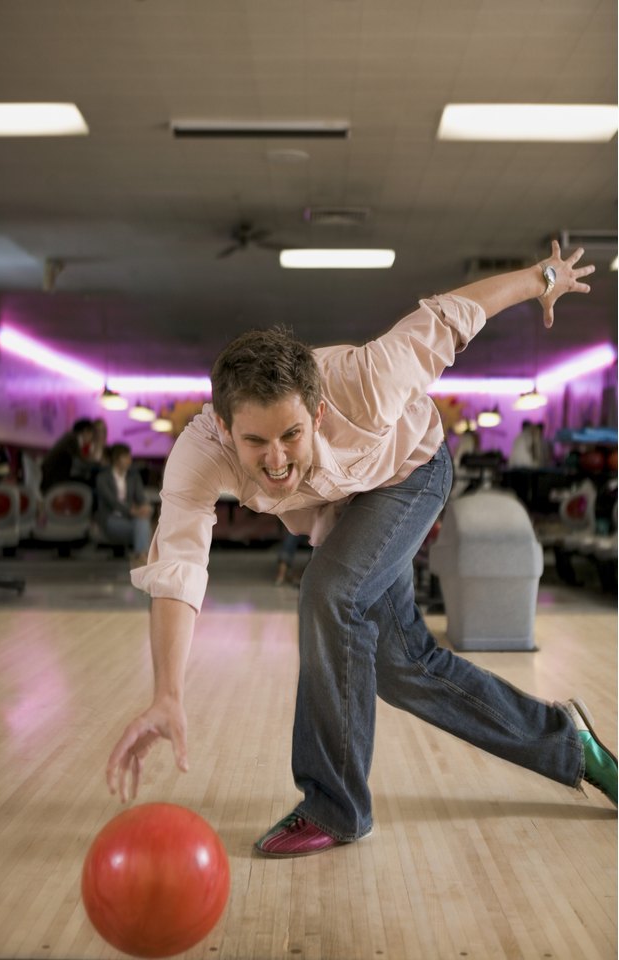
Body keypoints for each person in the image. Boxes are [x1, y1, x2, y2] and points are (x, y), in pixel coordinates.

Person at [106, 242, 616, 858]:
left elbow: (453, 314)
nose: (276, 460)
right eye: (255, 441)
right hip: (344, 507)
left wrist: (544, 276)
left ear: (318, 413)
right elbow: (179, 569)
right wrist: (167, 692)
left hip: (411, 472)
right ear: (221, 426)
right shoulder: (198, 454)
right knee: (405, 669)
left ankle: (335, 805)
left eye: (292, 434)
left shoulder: (369, 380)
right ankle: (567, 741)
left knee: (329, 592)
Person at [95, 443, 153, 565]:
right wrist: (132, 511)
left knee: (142, 521)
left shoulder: (133, 476)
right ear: (117, 459)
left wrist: (144, 507)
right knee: (142, 524)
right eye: (126, 456)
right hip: (111, 519)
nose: (129, 459)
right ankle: (142, 557)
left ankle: (141, 556)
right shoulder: (103, 478)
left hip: (131, 519)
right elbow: (112, 502)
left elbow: (141, 498)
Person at [40, 418, 95, 492]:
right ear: (85, 431)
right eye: (92, 433)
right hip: (52, 481)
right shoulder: (72, 440)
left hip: (52, 478)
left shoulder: (70, 437)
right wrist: (95, 464)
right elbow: (79, 463)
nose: (92, 437)